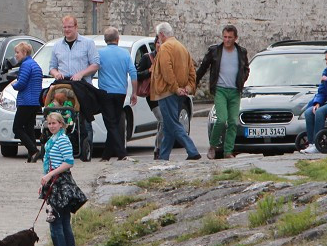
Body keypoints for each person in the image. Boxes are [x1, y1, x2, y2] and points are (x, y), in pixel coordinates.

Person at [49, 15, 100, 161]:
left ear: (76, 27)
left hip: (81, 84)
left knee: (84, 119)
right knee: (56, 109)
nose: (67, 30)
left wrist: (81, 73)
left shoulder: (87, 43)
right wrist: (56, 73)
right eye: (64, 27)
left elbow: (96, 64)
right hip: (63, 84)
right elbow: (51, 67)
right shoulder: (57, 46)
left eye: (69, 27)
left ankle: (86, 148)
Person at [195, 25, 250, 160]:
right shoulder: (215, 51)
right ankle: (213, 146)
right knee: (221, 120)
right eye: (225, 37)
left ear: (235, 38)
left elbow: (246, 69)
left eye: (230, 37)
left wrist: (242, 81)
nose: (227, 40)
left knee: (232, 121)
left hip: (235, 90)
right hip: (220, 89)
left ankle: (228, 151)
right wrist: (194, 83)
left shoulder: (241, 52)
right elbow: (203, 67)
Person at [150, 22, 201, 161]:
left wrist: (175, 88)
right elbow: (192, 70)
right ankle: (163, 156)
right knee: (168, 126)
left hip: (167, 92)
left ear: (161, 34)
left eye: (158, 36)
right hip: (179, 92)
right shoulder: (182, 47)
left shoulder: (165, 48)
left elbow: (167, 71)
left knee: (172, 123)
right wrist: (188, 87)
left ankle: (192, 150)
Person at [40, 112, 77, 246]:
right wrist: (45, 182)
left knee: (56, 225)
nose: (52, 126)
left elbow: (69, 162)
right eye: (49, 123)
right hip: (55, 183)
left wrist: (50, 175)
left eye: (54, 123)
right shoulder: (53, 140)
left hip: (61, 185)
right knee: (64, 224)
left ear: (61, 124)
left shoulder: (62, 140)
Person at [97, 27, 138, 161]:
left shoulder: (100, 54)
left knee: (111, 123)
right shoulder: (125, 54)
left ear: (105, 40)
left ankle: (122, 153)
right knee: (113, 122)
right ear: (117, 39)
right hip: (120, 92)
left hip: (105, 92)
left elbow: (92, 70)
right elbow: (133, 73)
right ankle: (106, 155)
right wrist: (134, 92)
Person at [11, 41, 43, 162]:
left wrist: (14, 84)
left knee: (17, 128)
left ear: (24, 52)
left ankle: (34, 150)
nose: (16, 55)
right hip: (35, 101)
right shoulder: (34, 64)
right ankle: (32, 155)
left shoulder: (26, 65)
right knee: (29, 127)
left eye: (17, 52)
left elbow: (21, 83)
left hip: (26, 101)